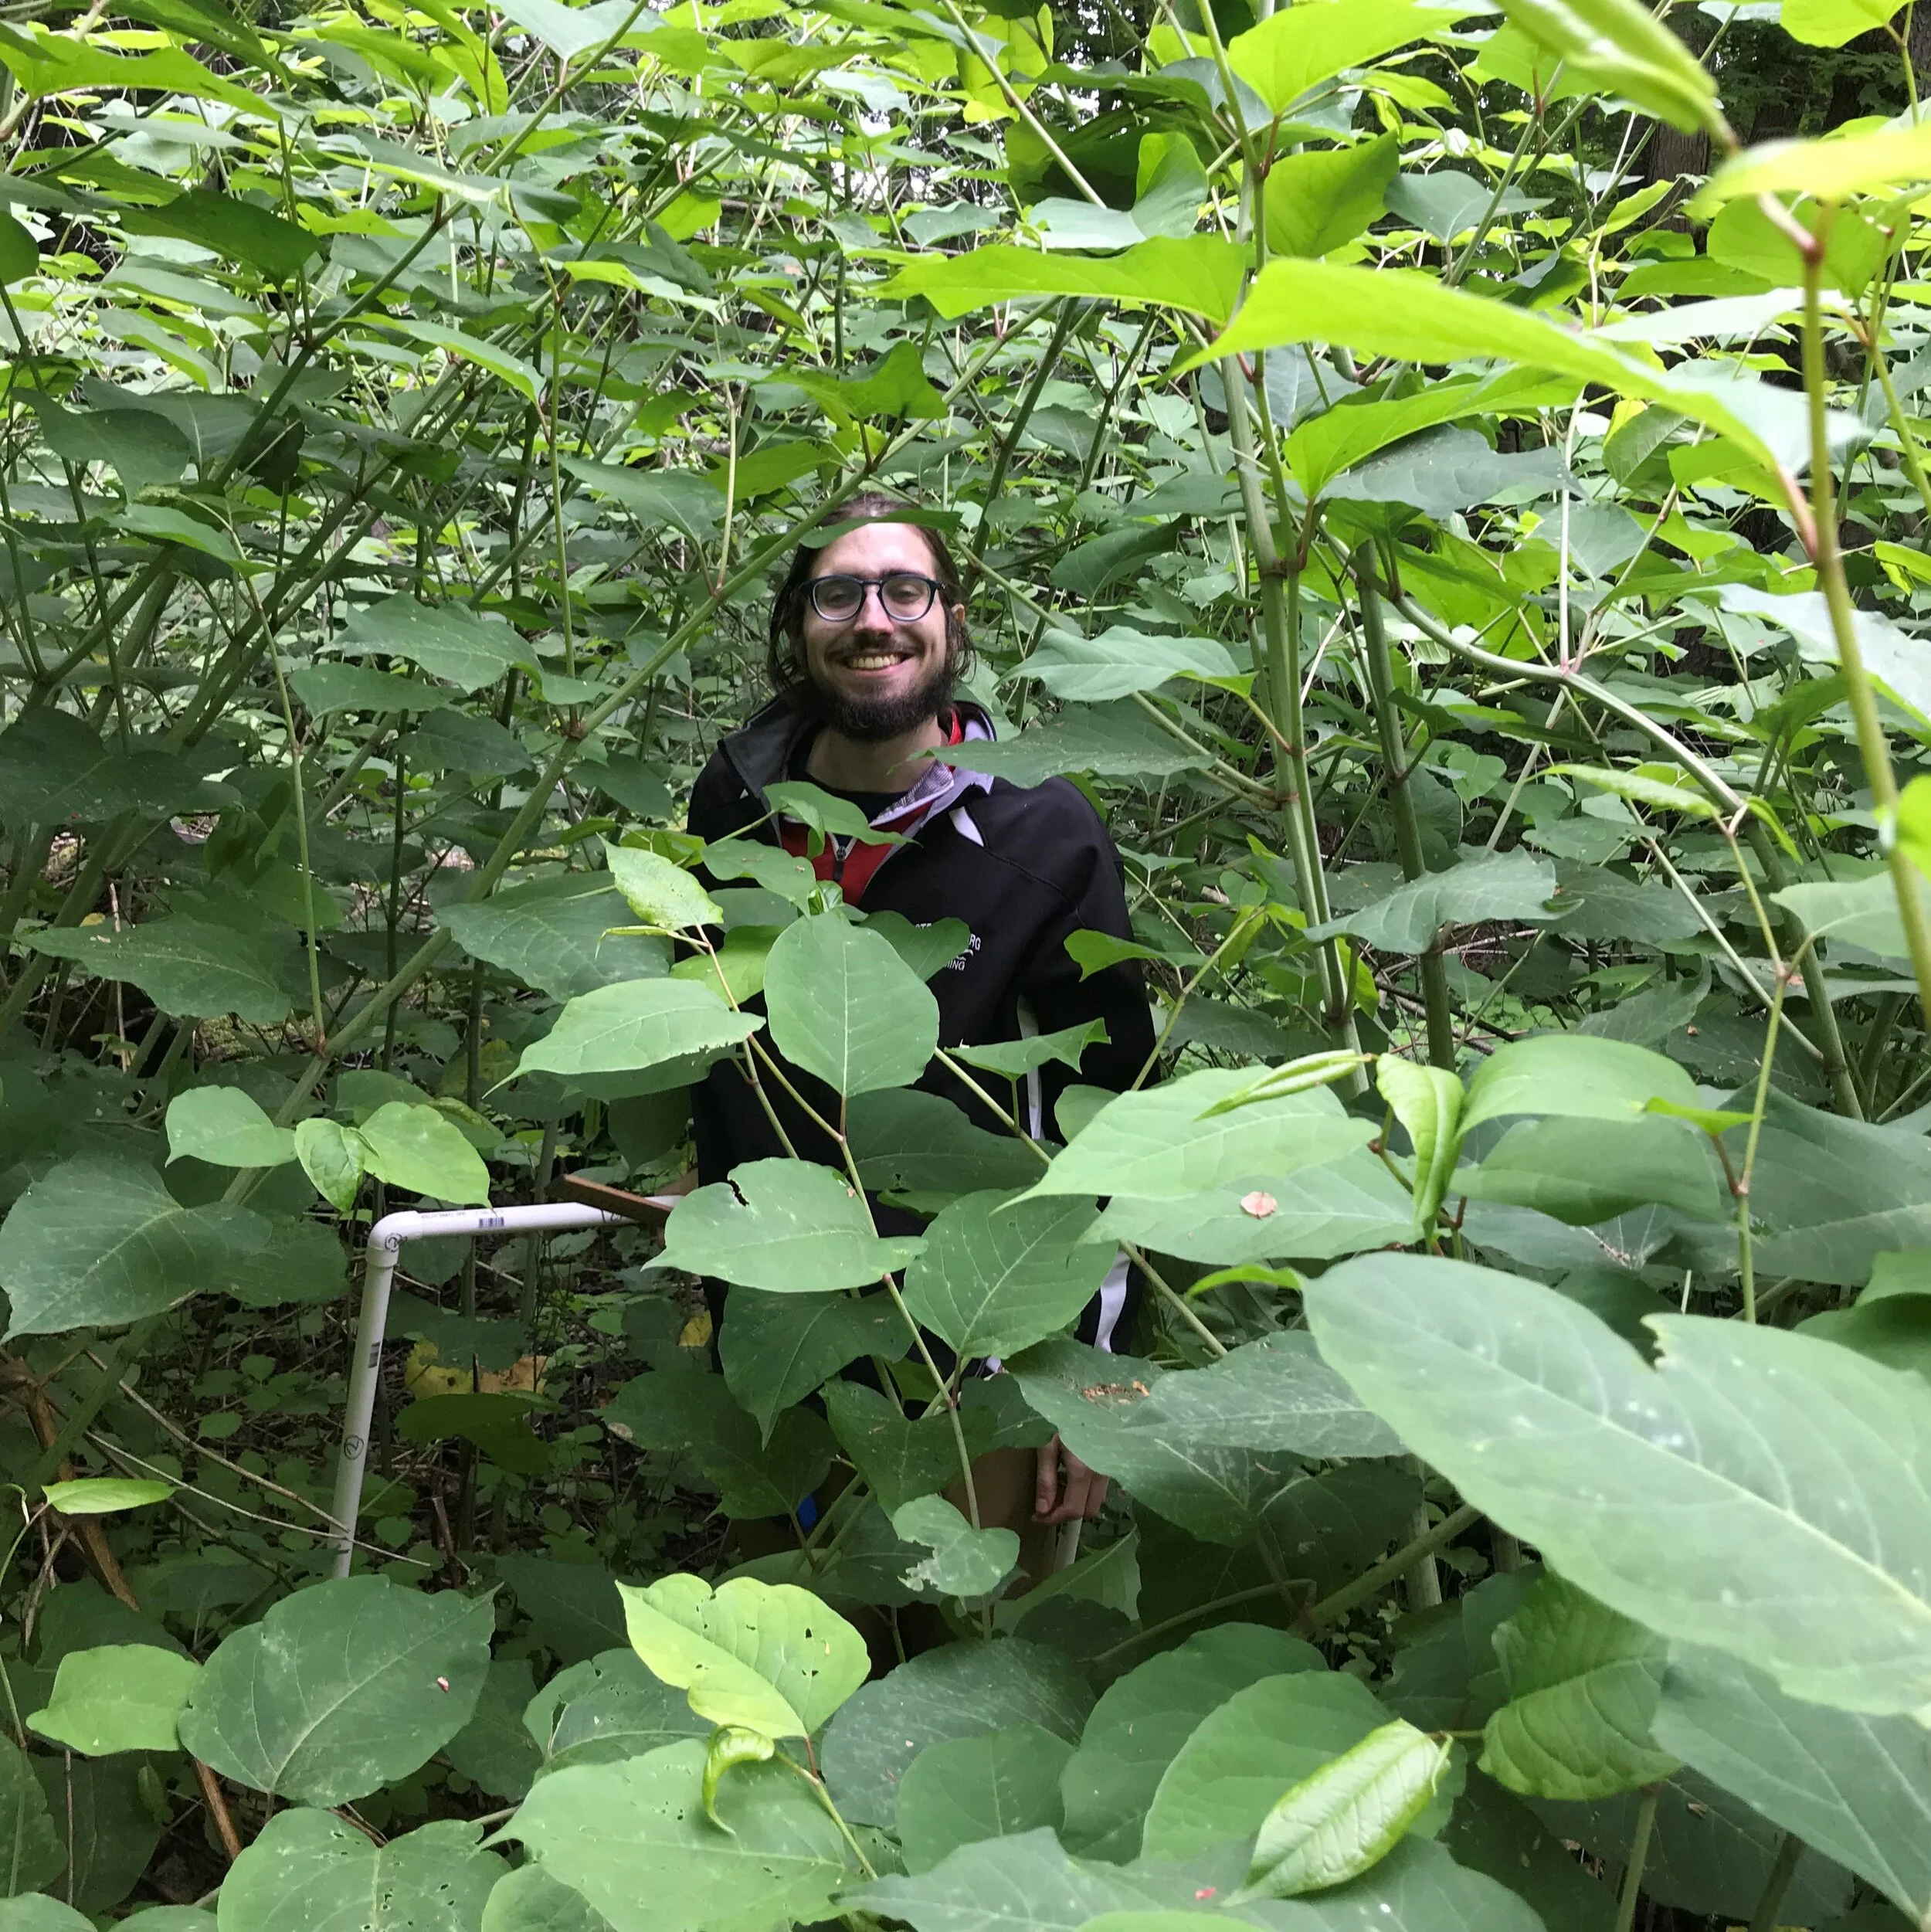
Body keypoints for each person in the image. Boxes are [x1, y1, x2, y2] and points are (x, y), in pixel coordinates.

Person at [684, 491, 1156, 1586]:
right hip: (774, 1308)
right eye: (838, 593)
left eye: (906, 589)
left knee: (960, 1673)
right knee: (787, 1650)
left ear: (951, 621)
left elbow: (1110, 1114)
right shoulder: (738, 801)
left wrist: (1090, 1382)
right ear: (797, 626)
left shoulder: (1041, 831)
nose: (874, 618)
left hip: (976, 1346)